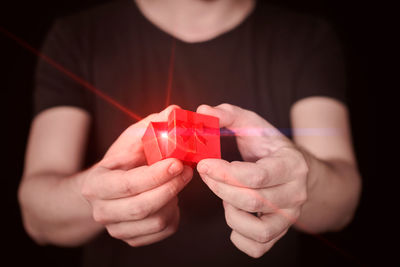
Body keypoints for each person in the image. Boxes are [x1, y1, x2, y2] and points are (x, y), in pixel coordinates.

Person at [18, 0, 361, 266]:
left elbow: (342, 206)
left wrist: (306, 177)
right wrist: (97, 194)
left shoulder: (307, 38)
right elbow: (36, 217)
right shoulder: (77, 36)